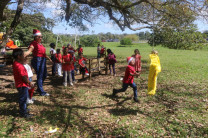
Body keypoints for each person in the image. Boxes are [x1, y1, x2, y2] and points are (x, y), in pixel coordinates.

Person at [24, 29, 52, 96]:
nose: (40, 38)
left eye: (41, 37)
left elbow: (44, 53)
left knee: (45, 75)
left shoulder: (40, 44)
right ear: (35, 37)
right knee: (40, 75)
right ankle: (41, 91)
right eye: (39, 37)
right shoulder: (33, 43)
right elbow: (30, 50)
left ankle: (39, 88)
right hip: (37, 60)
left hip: (43, 60)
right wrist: (23, 55)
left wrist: (49, 59)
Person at [12, 49, 34, 118]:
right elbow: (23, 77)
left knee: (23, 98)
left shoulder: (16, 63)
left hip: (21, 84)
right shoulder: (19, 66)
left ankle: (24, 109)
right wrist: (29, 83)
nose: (24, 56)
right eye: (23, 55)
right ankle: (23, 113)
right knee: (23, 99)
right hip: (22, 85)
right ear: (19, 56)